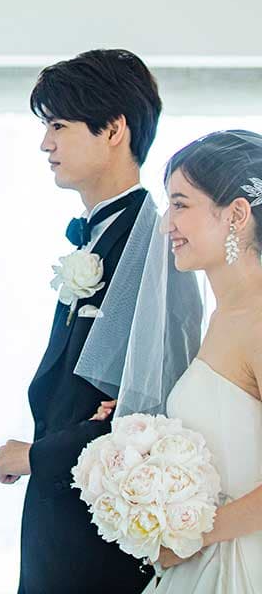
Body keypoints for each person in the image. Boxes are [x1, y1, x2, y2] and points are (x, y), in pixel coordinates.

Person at [0, 49, 200, 594]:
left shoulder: (157, 242)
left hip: (100, 532)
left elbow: (149, 413)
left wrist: (36, 456)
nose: (46, 144)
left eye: (58, 126)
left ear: (113, 130)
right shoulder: (100, 235)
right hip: (60, 519)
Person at [138, 129, 262, 592]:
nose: (166, 224)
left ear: (236, 214)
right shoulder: (222, 316)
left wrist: (193, 536)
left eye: (181, 204)